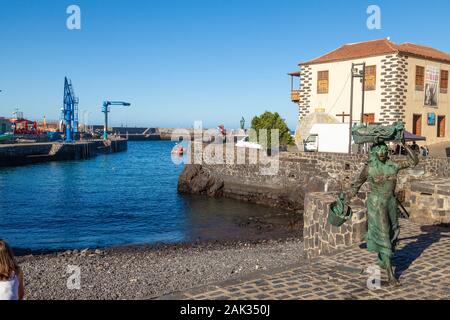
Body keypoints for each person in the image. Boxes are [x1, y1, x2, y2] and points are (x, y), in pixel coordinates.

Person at [341, 141, 418, 285]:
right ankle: (390, 275)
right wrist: (344, 198)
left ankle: (383, 260)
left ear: (387, 151)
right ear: (374, 152)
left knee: (393, 232)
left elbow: (414, 161)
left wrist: (404, 145)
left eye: (384, 149)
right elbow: (356, 185)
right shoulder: (369, 168)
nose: (382, 152)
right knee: (384, 235)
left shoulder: (393, 166)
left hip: (390, 202)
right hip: (377, 204)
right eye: (379, 150)